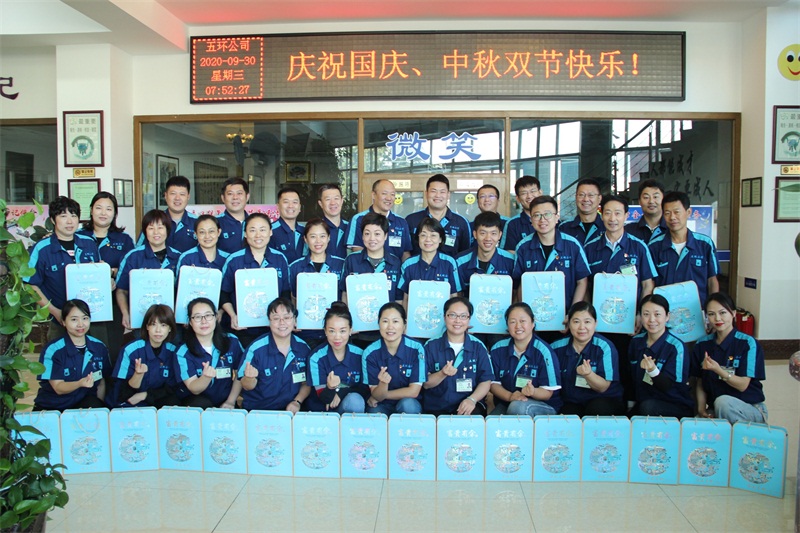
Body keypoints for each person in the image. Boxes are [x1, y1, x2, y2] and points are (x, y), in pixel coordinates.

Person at [25, 196, 101, 340]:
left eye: (73, 216)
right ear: (53, 220)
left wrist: (108, 281)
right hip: (58, 319)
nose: (70, 221)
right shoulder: (42, 249)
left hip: (90, 319)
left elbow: (98, 277)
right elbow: (30, 285)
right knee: (58, 352)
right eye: (63, 216)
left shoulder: (89, 243)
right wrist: (54, 311)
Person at [691, 292, 767, 424]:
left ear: (733, 313)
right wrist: (701, 409)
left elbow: (743, 385)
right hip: (717, 409)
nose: (717, 318)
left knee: (723, 402)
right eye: (711, 314)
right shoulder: (702, 344)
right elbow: (700, 382)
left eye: (722, 313)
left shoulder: (747, 343)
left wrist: (718, 370)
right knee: (694, 424)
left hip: (748, 407)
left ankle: (750, 431)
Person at [511, 195, 591, 317]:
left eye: (547, 214)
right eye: (537, 215)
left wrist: (572, 314)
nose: (542, 220)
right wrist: (527, 316)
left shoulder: (573, 245)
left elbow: (582, 282)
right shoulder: (523, 247)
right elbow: (521, 283)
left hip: (565, 316)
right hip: (533, 317)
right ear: (531, 220)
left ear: (556, 217)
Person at [77, 191, 134, 360]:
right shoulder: (78, 237)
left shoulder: (124, 239)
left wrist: (109, 271)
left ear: (115, 213)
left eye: (109, 209)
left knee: (112, 349)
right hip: (83, 303)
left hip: (114, 303)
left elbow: (130, 269)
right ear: (91, 210)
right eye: (99, 208)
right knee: (85, 349)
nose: (103, 213)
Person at [221, 212, 290, 348]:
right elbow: (224, 293)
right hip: (242, 329)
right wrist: (233, 315)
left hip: (273, 328)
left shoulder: (279, 258)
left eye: (262, 230)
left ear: (270, 232)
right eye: (252, 230)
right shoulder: (234, 260)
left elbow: (285, 292)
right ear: (245, 234)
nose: (258, 235)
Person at [33, 299, 110, 411]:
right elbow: (58, 387)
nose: (80, 324)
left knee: (97, 408)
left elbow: (101, 382)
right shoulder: (53, 349)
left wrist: (100, 408)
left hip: (84, 402)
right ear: (63, 322)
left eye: (85, 318)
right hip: (53, 405)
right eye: (74, 319)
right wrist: (79, 383)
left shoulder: (99, 347)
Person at [551, 302, 626, 416]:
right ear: (569, 323)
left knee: (596, 409)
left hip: (604, 399)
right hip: (572, 401)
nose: (582, 327)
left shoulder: (605, 347)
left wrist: (589, 374)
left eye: (587, 322)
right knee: (568, 414)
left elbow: (603, 387)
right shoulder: (556, 347)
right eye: (576, 322)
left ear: (595, 323)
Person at [422, 297, 494, 416]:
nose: (458, 320)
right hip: (436, 407)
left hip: (469, 407)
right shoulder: (430, 346)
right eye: (452, 315)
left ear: (469, 319)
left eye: (463, 316)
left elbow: (486, 381)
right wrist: (442, 373)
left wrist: (472, 400)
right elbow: (425, 383)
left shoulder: (478, 346)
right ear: (444, 317)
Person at [238, 298, 312, 412]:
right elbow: (245, 385)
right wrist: (249, 378)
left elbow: (307, 383)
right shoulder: (256, 349)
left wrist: (297, 401)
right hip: (258, 410)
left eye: (287, 318)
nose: (282, 323)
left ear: (295, 321)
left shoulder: (303, 348)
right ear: (269, 321)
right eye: (276, 318)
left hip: (290, 410)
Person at [489, 302, 561, 416]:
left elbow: (548, 393)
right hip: (508, 402)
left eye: (523, 321)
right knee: (491, 422)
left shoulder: (544, 351)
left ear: (532, 323)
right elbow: (493, 384)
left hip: (542, 404)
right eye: (513, 322)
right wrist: (510, 396)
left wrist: (533, 391)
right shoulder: (498, 349)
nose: (518, 326)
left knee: (518, 408)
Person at [648, 191, 719, 306]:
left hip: (698, 310)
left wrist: (713, 308)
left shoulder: (705, 244)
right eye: (667, 213)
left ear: (688, 212)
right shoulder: (654, 246)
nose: (672, 217)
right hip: (665, 312)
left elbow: (712, 280)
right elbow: (650, 283)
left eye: (677, 212)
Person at [628, 294, 694, 417]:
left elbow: (668, 387)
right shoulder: (636, 342)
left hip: (673, 403)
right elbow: (631, 377)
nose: (651, 320)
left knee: (647, 408)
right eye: (646, 314)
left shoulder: (676, 346)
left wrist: (652, 370)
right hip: (644, 402)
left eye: (657, 314)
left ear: (667, 316)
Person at [115, 209, 181, 331]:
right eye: (151, 228)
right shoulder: (133, 257)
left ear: (167, 230)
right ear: (145, 231)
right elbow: (121, 291)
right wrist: (125, 313)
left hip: (171, 323)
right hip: (142, 322)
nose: (156, 232)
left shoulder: (178, 257)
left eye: (160, 227)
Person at [174, 298, 243, 409]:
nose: (204, 321)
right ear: (190, 322)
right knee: (201, 404)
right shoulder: (183, 351)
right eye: (197, 317)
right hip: (195, 403)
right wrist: (205, 377)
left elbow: (240, 373)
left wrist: (230, 401)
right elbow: (193, 388)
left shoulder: (231, 341)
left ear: (216, 317)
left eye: (208, 315)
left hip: (226, 400)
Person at [585, 195, 657, 301]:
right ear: (601, 216)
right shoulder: (589, 248)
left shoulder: (639, 247)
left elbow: (647, 284)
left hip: (631, 310)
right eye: (608, 213)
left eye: (617, 213)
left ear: (626, 216)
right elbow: (584, 285)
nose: (612, 219)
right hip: (598, 310)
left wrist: (641, 310)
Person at [289, 218, 346, 348]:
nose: (318, 241)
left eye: (322, 236)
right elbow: (293, 298)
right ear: (305, 239)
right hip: (305, 333)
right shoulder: (295, 267)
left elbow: (345, 296)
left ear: (329, 238)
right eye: (313, 236)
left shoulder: (341, 264)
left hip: (334, 333)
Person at [110, 304, 179, 408]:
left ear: (170, 328)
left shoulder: (173, 351)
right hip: (130, 401)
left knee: (173, 402)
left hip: (154, 399)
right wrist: (138, 375)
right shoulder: (130, 350)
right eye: (153, 324)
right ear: (147, 327)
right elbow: (120, 392)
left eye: (163, 325)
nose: (158, 330)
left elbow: (171, 388)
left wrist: (145, 395)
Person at [362, 303, 426, 415]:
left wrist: (384, 394)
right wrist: (383, 384)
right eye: (385, 321)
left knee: (408, 405)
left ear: (404, 325)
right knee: (374, 412)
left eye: (395, 321)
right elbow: (376, 395)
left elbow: (413, 391)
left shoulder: (416, 348)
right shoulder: (370, 353)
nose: (390, 327)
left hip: (408, 401)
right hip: (381, 404)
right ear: (378, 324)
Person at [306, 303, 369, 413]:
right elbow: (324, 398)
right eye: (332, 331)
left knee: (355, 400)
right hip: (322, 412)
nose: (337, 337)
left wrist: (341, 393)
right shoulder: (316, 358)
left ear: (350, 330)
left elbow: (366, 391)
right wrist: (330, 388)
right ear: (325, 331)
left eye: (342, 331)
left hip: (350, 407)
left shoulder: (361, 355)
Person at [398, 218, 461, 308]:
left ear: (440, 239)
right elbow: (406, 298)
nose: (428, 239)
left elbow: (454, 296)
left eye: (433, 235)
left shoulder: (449, 263)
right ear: (418, 238)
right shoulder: (408, 264)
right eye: (423, 235)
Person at [405, 174, 472, 257]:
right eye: (433, 191)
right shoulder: (411, 220)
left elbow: (465, 255)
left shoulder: (461, 222)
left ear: (448, 195)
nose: (438, 195)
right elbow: (406, 252)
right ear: (426, 194)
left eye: (442, 192)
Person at [342, 212, 402, 304]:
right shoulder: (351, 260)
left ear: (385, 236)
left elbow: (398, 298)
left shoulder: (395, 262)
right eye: (367, 234)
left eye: (377, 234)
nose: (372, 238)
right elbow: (345, 294)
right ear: (362, 236)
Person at [346, 179, 412, 261]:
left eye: (392, 194)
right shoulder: (359, 219)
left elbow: (405, 253)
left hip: (395, 268)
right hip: (366, 268)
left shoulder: (401, 222)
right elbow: (356, 249)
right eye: (384, 193)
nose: (389, 198)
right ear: (373, 195)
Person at [456, 211, 515, 298]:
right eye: (483, 233)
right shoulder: (460, 262)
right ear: (475, 234)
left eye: (493, 233)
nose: (488, 238)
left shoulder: (511, 261)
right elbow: (458, 296)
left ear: (500, 235)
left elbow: (515, 294)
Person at [560, 177, 605, 246]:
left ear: (599, 198)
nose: (586, 199)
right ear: (576, 197)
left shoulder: (607, 226)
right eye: (581, 195)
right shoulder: (564, 228)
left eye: (591, 195)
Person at [501, 175, 541, 251]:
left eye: (532, 191)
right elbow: (508, 252)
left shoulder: (552, 220)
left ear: (540, 193)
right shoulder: (512, 224)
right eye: (524, 193)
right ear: (518, 198)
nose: (529, 196)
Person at [160, 175, 199, 254]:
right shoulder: (155, 221)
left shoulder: (197, 222)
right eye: (173, 193)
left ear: (188, 197)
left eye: (182, 194)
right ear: (166, 196)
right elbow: (140, 250)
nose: (177, 198)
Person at [269, 186, 307, 265]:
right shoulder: (270, 231)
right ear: (278, 206)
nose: (290, 206)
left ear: (300, 207)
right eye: (286, 202)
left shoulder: (306, 231)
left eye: (295, 202)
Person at [626, 179, 667, 244]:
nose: (651, 201)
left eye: (655, 197)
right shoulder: (628, 231)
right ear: (639, 201)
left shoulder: (672, 228)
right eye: (646, 197)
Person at [216, 177, 250, 255]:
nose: (235, 197)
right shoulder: (214, 223)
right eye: (230, 194)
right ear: (223, 198)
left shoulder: (255, 223)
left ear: (247, 197)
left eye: (239, 193)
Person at [317, 184, 350, 260]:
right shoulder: (315, 229)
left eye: (336, 198)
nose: (333, 203)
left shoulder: (350, 228)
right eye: (328, 199)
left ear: (342, 201)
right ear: (320, 204)